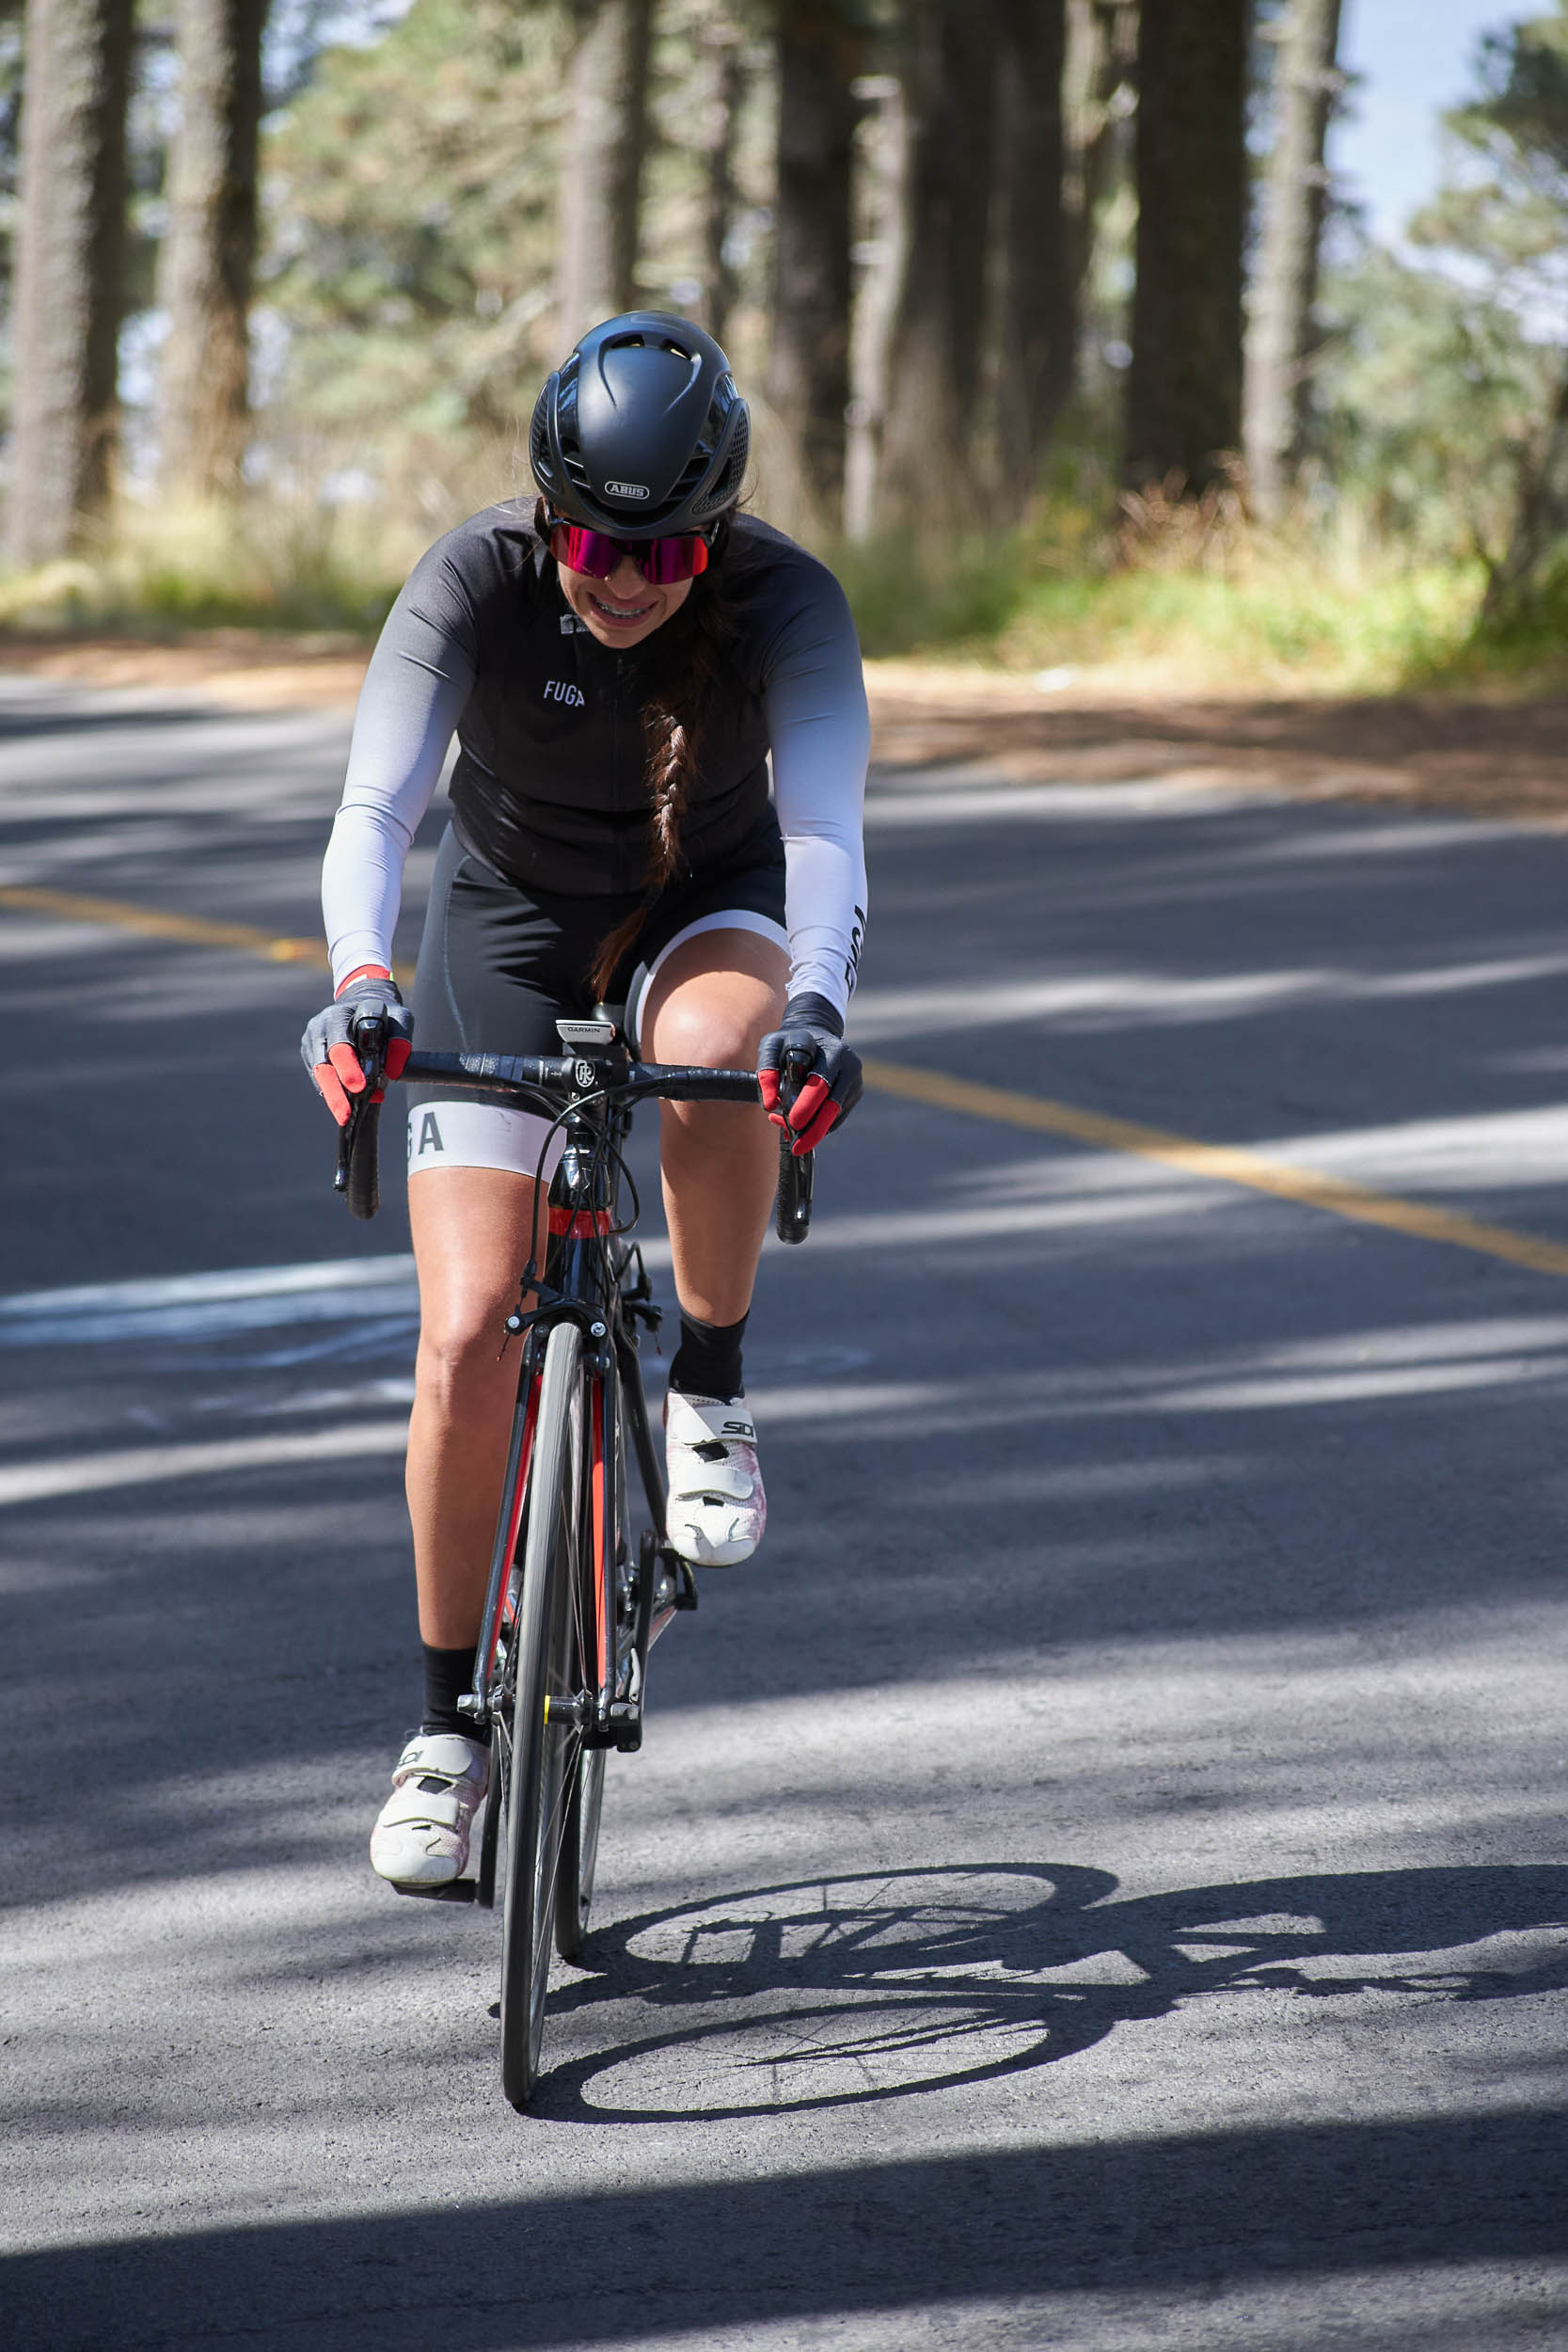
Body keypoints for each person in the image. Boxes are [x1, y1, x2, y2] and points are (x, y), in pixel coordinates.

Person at [300, 313, 869, 1887]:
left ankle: (712, 1388)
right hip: (507, 916)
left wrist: (818, 1010)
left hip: (709, 893)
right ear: (545, 511)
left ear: (717, 537)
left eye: (664, 555)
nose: (621, 579)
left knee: (723, 1046)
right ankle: (445, 1732)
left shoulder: (787, 602)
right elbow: (376, 806)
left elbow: (825, 831)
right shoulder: (473, 578)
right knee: (463, 1337)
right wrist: (361, 982)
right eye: (591, 543)